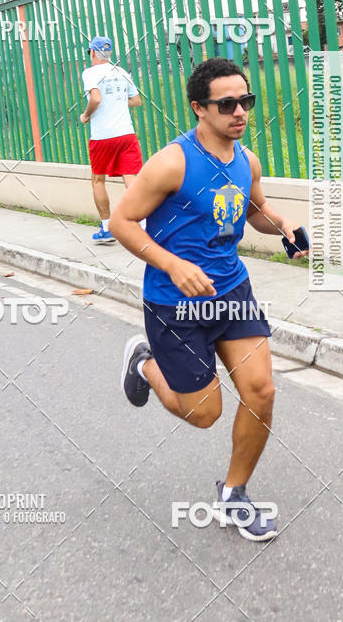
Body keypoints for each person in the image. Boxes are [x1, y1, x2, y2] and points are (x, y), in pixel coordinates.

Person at [111, 57, 309, 541]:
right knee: (204, 413)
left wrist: (282, 225)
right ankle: (144, 364)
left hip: (231, 291)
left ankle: (233, 497)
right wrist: (172, 263)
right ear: (199, 108)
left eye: (246, 100)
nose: (239, 111)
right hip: (175, 302)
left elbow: (254, 210)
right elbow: (120, 222)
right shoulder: (172, 162)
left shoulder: (246, 160)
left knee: (261, 391)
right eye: (227, 103)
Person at [80, 35, 144, 243]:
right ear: (108, 53)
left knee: (98, 180)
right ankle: (144, 225)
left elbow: (96, 98)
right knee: (131, 178)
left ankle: (107, 228)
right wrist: (116, 104)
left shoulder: (90, 73)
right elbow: (136, 100)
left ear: (92, 52)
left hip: (102, 137)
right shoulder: (121, 71)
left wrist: (87, 115)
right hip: (126, 133)